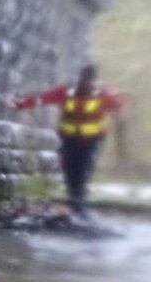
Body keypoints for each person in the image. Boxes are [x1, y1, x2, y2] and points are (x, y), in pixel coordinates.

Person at [14, 64, 125, 216]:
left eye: (88, 80)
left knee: (82, 170)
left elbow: (118, 105)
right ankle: (76, 204)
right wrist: (20, 104)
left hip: (91, 142)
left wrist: (118, 108)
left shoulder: (101, 94)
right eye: (84, 79)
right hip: (70, 139)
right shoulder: (68, 92)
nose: (85, 83)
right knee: (70, 170)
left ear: (93, 80)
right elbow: (43, 98)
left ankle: (79, 205)